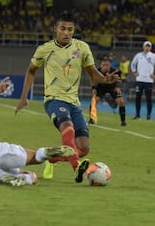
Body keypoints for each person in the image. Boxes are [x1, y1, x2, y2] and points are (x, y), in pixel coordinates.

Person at [14, 11, 119, 183]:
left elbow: (93, 74)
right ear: (55, 28)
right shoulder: (45, 49)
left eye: (70, 29)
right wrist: (23, 97)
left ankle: (51, 159)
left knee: (84, 147)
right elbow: (31, 70)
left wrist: (106, 79)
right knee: (67, 126)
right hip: (54, 100)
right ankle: (77, 167)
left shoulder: (82, 48)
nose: (66, 33)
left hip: (74, 103)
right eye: (63, 28)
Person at [88, 56, 127, 126]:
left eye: (107, 65)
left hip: (112, 87)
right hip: (101, 87)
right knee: (94, 101)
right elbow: (91, 79)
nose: (105, 66)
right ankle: (91, 119)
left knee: (121, 102)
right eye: (103, 65)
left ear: (110, 65)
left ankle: (123, 121)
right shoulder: (97, 71)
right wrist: (93, 88)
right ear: (101, 65)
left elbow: (119, 79)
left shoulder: (115, 71)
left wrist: (117, 87)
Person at [130, 41, 155, 120]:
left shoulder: (153, 56)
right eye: (146, 46)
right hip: (140, 80)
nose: (147, 48)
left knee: (149, 98)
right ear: (143, 47)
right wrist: (134, 72)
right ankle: (137, 115)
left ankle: (148, 115)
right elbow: (133, 64)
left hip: (149, 81)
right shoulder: (138, 55)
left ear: (150, 47)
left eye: (149, 46)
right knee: (138, 98)